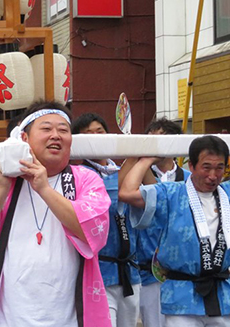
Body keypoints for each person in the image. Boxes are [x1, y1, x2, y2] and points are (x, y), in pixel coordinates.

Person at [0, 101, 112, 327]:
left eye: (63, 130)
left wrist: (44, 189)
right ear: (24, 139)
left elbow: (92, 231)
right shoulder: (3, 183)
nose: (56, 135)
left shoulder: (85, 179)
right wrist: (0, 188)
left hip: (70, 317)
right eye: (46, 129)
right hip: (11, 317)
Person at [119, 135, 230, 327]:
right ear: (192, 167)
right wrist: (147, 159)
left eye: (219, 168)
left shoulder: (227, 193)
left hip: (222, 296)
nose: (213, 175)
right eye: (206, 167)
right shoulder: (170, 193)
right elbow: (127, 193)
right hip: (181, 295)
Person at [72, 113, 140, 327]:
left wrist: (140, 156)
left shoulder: (122, 171)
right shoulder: (78, 175)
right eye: (87, 134)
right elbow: (114, 192)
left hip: (129, 270)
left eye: (99, 132)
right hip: (97, 271)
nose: (95, 138)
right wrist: (135, 155)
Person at [131, 117, 190, 327]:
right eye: (150, 139)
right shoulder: (134, 178)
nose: (155, 144)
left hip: (183, 275)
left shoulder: (191, 179)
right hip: (147, 272)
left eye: (162, 139)